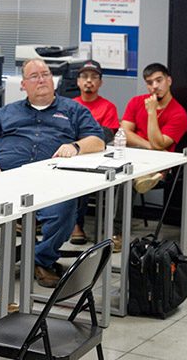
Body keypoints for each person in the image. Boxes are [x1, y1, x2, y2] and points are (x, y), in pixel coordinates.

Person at [0, 58, 104, 288]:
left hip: (52, 181)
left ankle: (40, 259)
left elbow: (97, 140)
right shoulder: (6, 112)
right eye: (34, 76)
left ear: (53, 80)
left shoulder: (73, 110)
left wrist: (76, 146)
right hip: (5, 178)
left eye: (45, 74)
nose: (41, 79)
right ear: (23, 84)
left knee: (65, 210)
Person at [120, 63, 187, 193]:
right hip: (132, 152)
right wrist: (148, 146)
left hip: (158, 160)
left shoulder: (179, 114)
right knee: (117, 170)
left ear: (169, 81)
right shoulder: (136, 101)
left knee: (125, 178)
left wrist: (152, 112)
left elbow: (158, 144)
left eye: (159, 80)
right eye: (150, 83)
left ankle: (143, 177)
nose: (155, 86)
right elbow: (123, 133)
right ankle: (141, 178)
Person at [70, 59, 119, 245]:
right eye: (84, 77)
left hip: (96, 158)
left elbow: (106, 134)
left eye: (94, 77)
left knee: (82, 177)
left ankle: (77, 225)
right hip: (70, 155)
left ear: (100, 82)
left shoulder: (108, 107)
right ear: (78, 82)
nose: (89, 81)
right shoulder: (69, 105)